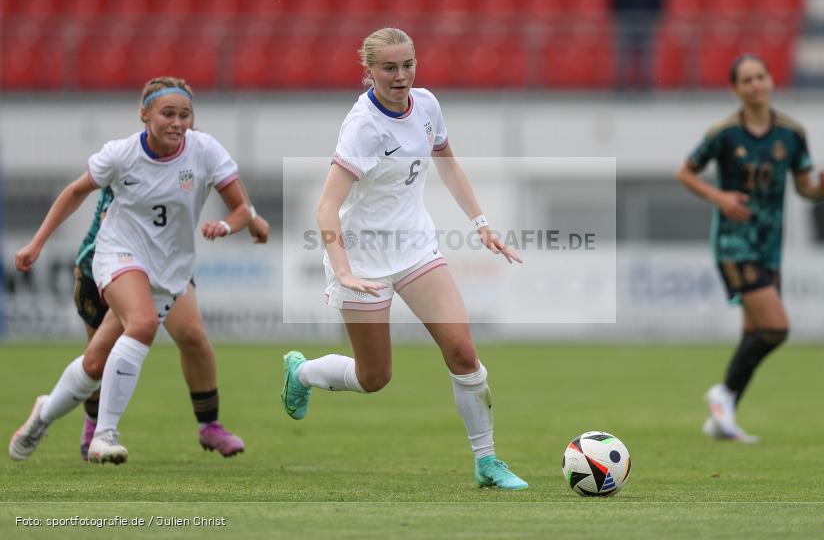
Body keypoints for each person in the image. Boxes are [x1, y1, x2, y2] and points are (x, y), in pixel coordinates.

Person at [280, 28, 528, 490]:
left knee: (462, 351)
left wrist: (481, 224)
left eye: (408, 65)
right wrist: (344, 271)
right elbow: (326, 208)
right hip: (363, 259)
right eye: (389, 68)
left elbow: (447, 163)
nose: (401, 76)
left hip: (415, 248)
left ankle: (487, 462)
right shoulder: (363, 127)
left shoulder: (427, 105)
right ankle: (303, 372)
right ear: (369, 71)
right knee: (374, 377)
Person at [9, 76, 251, 464]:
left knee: (95, 363)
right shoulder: (121, 154)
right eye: (168, 113)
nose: (178, 123)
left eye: (185, 115)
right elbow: (75, 192)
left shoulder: (205, 150)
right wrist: (37, 243)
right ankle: (103, 435)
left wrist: (227, 225)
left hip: (169, 268)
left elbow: (242, 208)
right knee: (142, 324)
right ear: (145, 115)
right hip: (118, 254)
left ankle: (43, 414)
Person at [676, 55, 824, 442]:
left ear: (770, 81)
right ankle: (723, 394)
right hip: (734, 243)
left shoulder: (792, 133)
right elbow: (685, 172)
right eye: (746, 80)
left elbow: (805, 187)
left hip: (770, 245)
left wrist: (822, 190)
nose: (755, 85)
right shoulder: (724, 134)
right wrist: (719, 197)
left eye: (760, 77)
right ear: (735, 89)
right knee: (777, 328)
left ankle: (723, 417)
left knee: (754, 331)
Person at [71, 183, 270, 460]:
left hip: (167, 264)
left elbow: (225, 177)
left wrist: (250, 215)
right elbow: (90, 200)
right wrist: (37, 244)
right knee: (96, 361)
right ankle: (88, 424)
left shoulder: (194, 159)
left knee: (192, 334)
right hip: (113, 262)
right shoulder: (129, 163)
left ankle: (209, 425)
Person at [611, 0, 666, 90]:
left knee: (647, 57)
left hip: (647, 20)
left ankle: (646, 87)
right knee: (623, 56)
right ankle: (621, 87)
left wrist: (655, 15)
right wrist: (619, 14)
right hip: (627, 19)